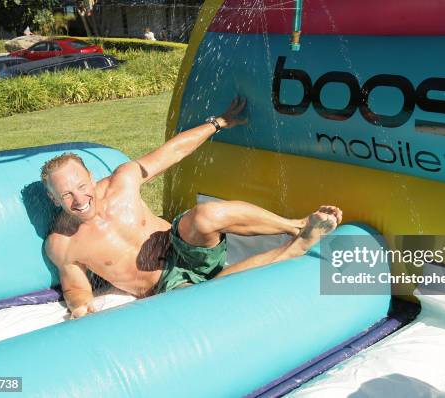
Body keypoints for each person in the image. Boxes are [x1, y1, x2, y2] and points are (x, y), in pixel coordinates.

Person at [43, 97, 343, 319]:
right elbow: (75, 289)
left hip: (185, 246)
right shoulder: (62, 244)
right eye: (67, 194)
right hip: (166, 285)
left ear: (91, 178)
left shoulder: (122, 181)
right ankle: (292, 249)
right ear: (54, 199)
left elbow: (171, 152)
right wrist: (81, 308)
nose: (80, 199)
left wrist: (217, 123)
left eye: (82, 186)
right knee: (198, 300)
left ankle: (295, 225)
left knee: (205, 214)